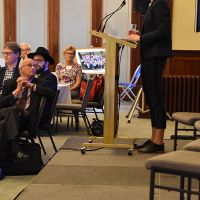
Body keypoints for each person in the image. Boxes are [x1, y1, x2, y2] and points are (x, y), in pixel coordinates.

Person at [128, 0, 172, 153]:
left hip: (155, 56)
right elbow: (156, 30)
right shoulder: (154, 4)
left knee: (155, 99)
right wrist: (142, 35)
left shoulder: (160, 4)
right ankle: (154, 139)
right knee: (152, 99)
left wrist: (141, 38)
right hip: (150, 56)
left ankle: (158, 142)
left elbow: (163, 31)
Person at [0, 58, 56, 162]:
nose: (33, 68)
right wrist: (17, 91)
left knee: (3, 124)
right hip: (6, 115)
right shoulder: (10, 83)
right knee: (11, 111)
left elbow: (52, 93)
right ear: (21, 69)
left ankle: (4, 162)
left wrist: (32, 86)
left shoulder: (40, 83)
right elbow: (1, 103)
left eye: (35, 65)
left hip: (25, 119)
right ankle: (16, 152)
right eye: (30, 65)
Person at [27, 47, 57, 126]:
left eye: (39, 60)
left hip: (39, 115)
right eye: (34, 60)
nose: (35, 63)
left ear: (46, 63)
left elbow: (51, 92)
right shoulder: (32, 76)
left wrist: (33, 86)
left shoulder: (50, 77)